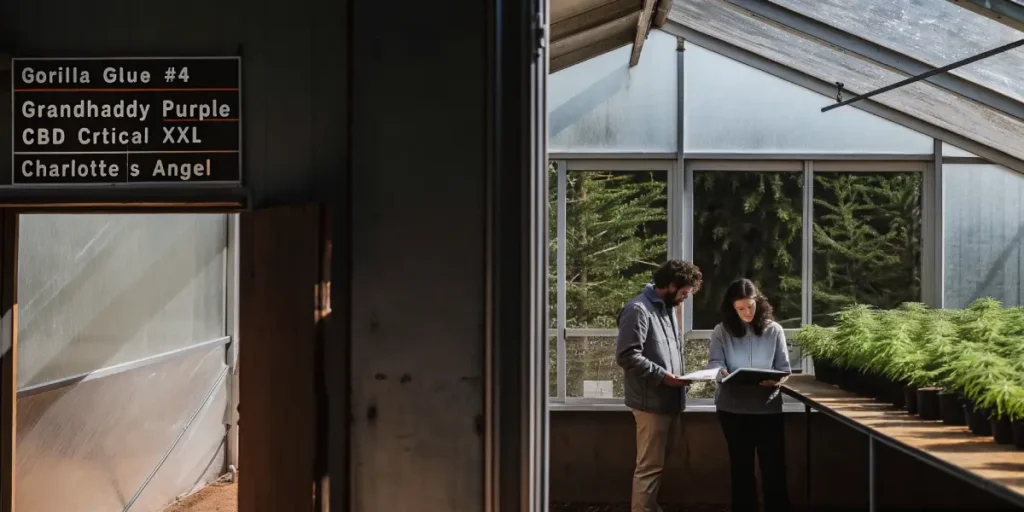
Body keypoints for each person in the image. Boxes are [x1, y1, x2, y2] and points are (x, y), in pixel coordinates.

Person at [616, 259, 703, 512]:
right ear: (672, 286)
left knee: (657, 465)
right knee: (649, 467)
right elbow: (627, 356)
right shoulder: (638, 310)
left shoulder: (666, 309)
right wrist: (664, 376)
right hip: (651, 403)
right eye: (684, 293)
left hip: (669, 400)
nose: (684, 299)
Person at [705, 278, 792, 512]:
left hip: (767, 408)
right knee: (741, 467)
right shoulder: (721, 331)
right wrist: (722, 372)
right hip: (733, 410)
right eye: (740, 308)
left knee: (773, 467)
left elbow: (784, 368)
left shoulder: (775, 330)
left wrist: (777, 380)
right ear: (732, 308)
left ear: (759, 303)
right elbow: (714, 363)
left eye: (751, 306)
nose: (747, 312)